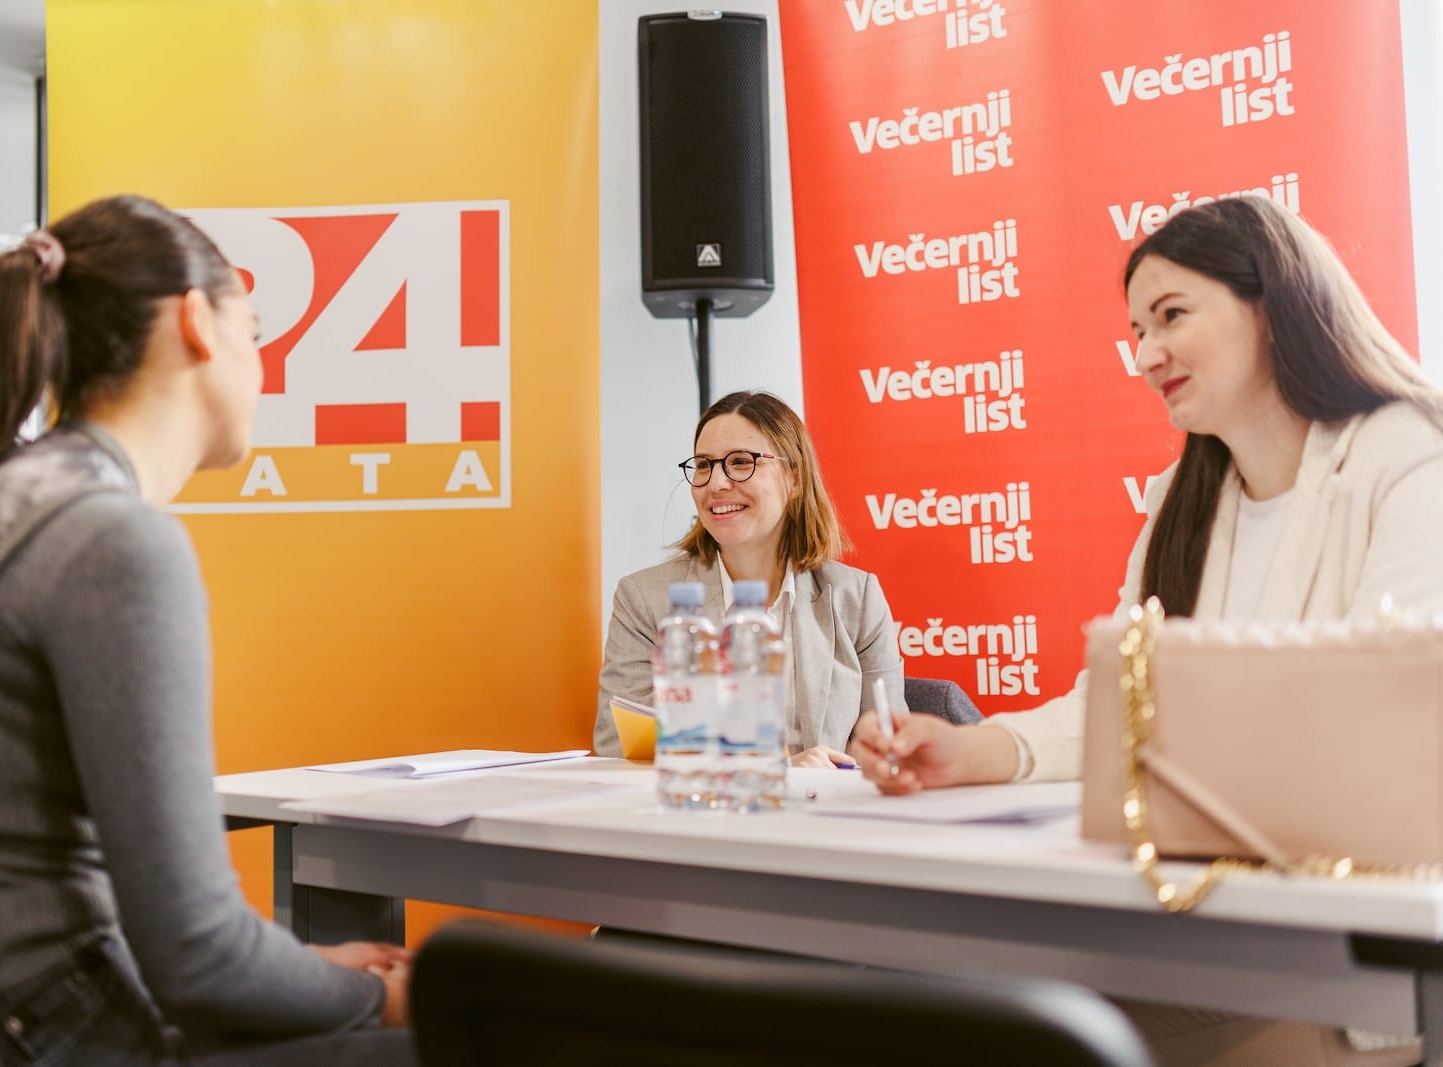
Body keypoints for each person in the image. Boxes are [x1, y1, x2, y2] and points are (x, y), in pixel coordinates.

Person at [851, 196, 1443, 1066]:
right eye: (1137, 329)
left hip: (1353, 960)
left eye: (1171, 316)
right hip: (1203, 930)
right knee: (946, 1008)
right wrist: (977, 749)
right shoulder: (1184, 498)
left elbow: (1388, 718)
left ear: (1271, 305)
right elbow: (1119, 701)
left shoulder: (1408, 453)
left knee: (1004, 1034)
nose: (1145, 353)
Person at [0, 196, 414, 1065]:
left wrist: (311, 974)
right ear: (195, 322)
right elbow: (200, 957)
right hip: (52, 1033)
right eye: (256, 332)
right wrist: (380, 996)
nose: (265, 367)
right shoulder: (109, 538)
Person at [594, 390, 907, 768]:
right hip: (703, 804)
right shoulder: (644, 598)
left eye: (740, 462)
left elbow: (890, 749)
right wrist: (775, 771)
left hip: (827, 803)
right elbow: (616, 748)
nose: (716, 483)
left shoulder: (856, 597)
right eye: (704, 465)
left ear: (794, 478)